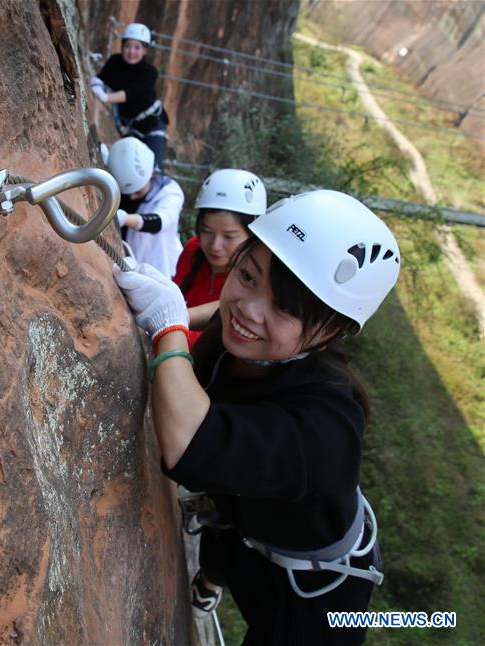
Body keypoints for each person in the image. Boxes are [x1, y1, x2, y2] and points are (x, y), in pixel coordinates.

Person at [115, 190, 400, 644]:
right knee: (222, 542)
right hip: (248, 528)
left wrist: (169, 328)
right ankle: (208, 586)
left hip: (315, 604)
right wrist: (182, 313)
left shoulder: (326, 429)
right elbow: (227, 311)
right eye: (247, 275)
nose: (248, 309)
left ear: (327, 333)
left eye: (285, 308)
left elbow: (188, 443)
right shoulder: (254, 339)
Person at [174, 169, 267, 348]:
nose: (215, 245)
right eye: (207, 232)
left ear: (253, 235)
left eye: (229, 236)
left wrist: (169, 326)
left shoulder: (255, 282)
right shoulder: (194, 250)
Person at [91, 22, 169, 167]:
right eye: (127, 46)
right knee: (131, 166)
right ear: (122, 46)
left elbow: (132, 93)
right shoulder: (115, 62)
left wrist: (107, 97)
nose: (131, 52)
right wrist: (96, 84)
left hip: (151, 124)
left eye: (137, 47)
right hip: (129, 126)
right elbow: (101, 78)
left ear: (145, 50)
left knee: (153, 167)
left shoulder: (149, 72)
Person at [108, 137, 184, 278]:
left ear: (151, 174)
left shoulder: (170, 193)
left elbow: (158, 222)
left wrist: (124, 219)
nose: (132, 198)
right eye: (127, 194)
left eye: (138, 191)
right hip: (131, 264)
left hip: (161, 270)